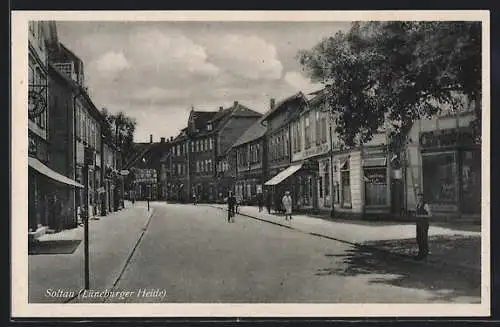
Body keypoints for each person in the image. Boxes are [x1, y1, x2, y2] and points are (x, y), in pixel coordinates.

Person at [415, 192, 432, 260]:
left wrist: (421, 216)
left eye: (421, 197)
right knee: (418, 238)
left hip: (424, 224)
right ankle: (420, 251)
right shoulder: (418, 204)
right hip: (419, 223)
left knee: (423, 238)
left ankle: (424, 253)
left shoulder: (425, 205)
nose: (419, 198)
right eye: (418, 197)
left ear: (422, 198)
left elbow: (430, 214)